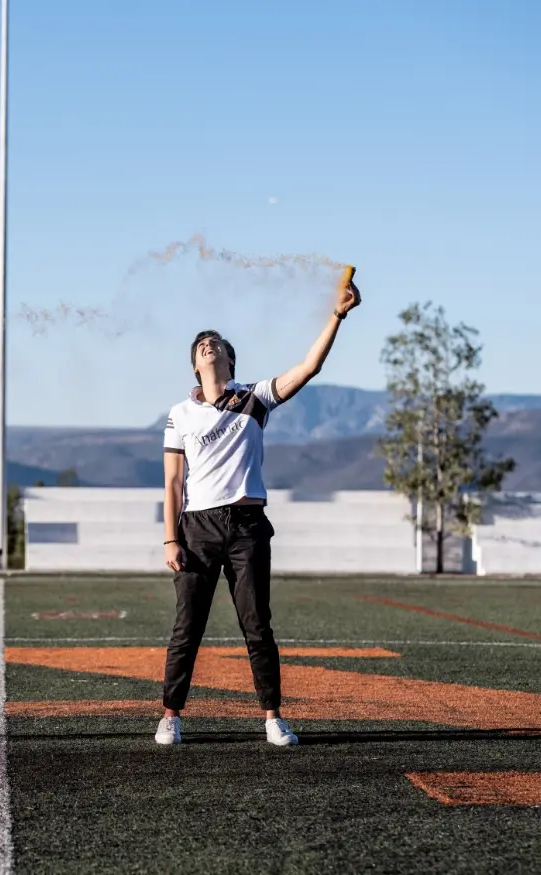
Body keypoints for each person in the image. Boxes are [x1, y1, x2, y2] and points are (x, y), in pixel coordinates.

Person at [156, 276, 362, 746]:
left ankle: (272, 716)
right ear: (195, 365)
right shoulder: (178, 414)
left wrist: (337, 316)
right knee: (187, 627)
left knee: (257, 625)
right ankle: (171, 715)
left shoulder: (255, 396)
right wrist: (171, 539)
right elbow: (172, 482)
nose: (208, 346)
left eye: (216, 344)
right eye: (201, 345)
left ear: (229, 359)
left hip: (248, 527)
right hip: (197, 529)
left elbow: (308, 367)